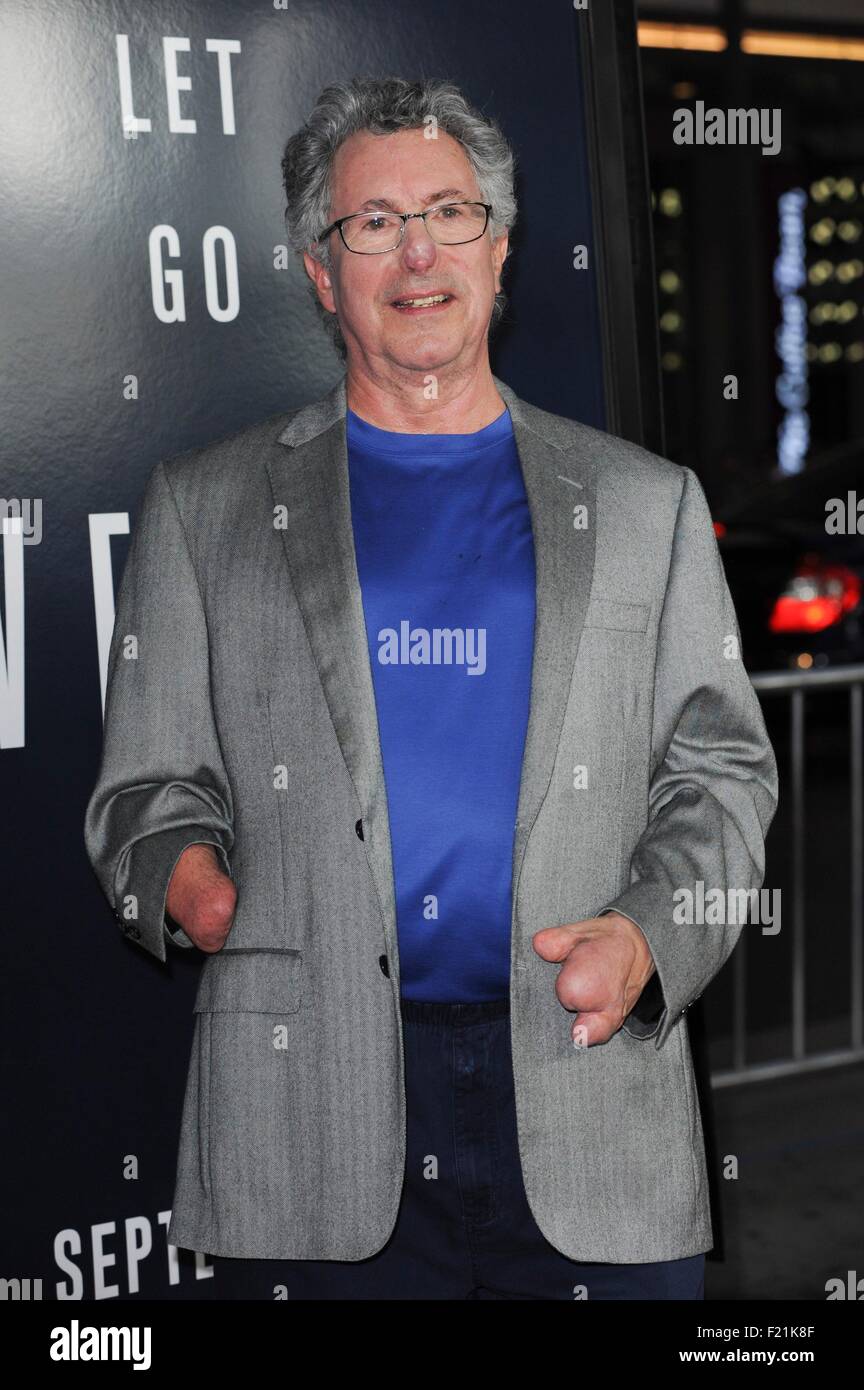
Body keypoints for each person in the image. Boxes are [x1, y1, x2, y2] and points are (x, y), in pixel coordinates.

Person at [84, 76, 778, 1300]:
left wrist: (647, 936)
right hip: (309, 1114)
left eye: (452, 213)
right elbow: (144, 787)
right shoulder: (206, 506)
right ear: (319, 268)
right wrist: (184, 879)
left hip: (589, 1093)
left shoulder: (642, 501)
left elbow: (722, 767)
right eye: (373, 222)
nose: (418, 251)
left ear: (500, 249)